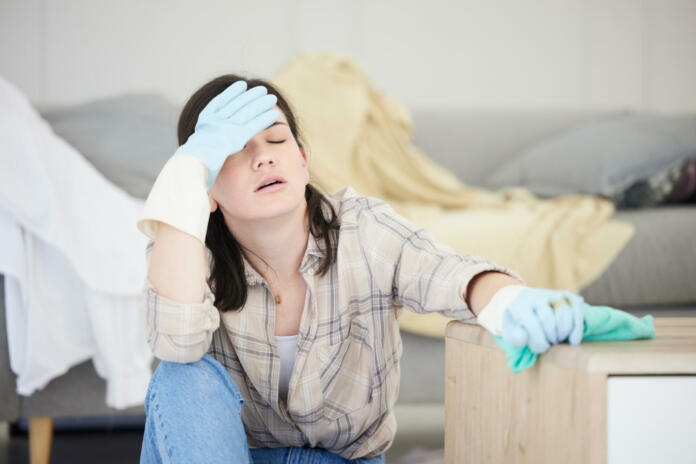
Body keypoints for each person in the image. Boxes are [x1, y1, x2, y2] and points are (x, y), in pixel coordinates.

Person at [135, 75, 586, 463]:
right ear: (205, 189)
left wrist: (508, 300)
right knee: (181, 375)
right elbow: (175, 345)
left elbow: (449, 273)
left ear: (304, 161)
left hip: (341, 461)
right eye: (235, 151)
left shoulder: (364, 228)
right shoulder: (188, 251)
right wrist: (184, 179)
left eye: (277, 140)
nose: (265, 157)